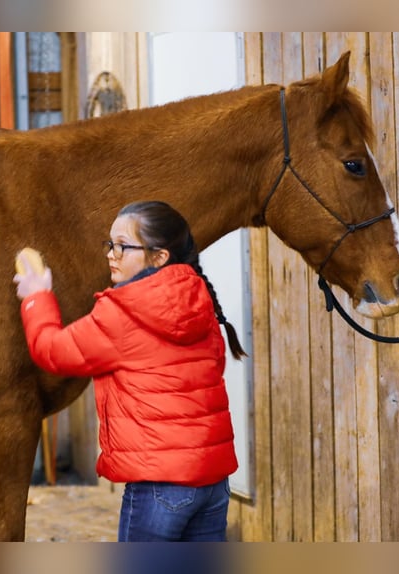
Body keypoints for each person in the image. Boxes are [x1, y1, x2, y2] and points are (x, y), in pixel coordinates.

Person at [13, 199, 247, 542]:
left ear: (159, 257)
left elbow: (52, 352)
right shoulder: (201, 301)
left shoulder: (122, 311)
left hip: (159, 485)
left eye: (123, 246)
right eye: (111, 244)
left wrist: (36, 297)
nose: (111, 254)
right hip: (212, 483)